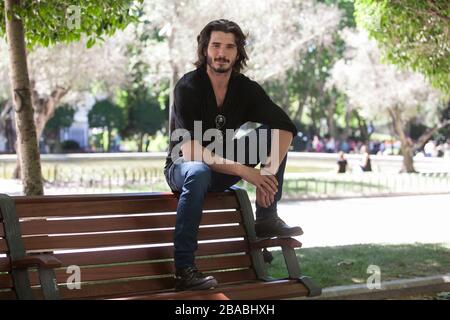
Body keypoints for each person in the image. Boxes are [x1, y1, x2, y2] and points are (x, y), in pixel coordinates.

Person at [163, 19, 302, 291]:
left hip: (221, 165)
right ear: (205, 49)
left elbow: (285, 127)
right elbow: (189, 149)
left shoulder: (246, 89)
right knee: (199, 170)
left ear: (238, 53)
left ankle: (267, 216)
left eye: (230, 46)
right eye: (215, 45)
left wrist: (266, 177)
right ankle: (184, 270)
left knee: (273, 137)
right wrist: (244, 171)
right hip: (183, 168)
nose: (221, 53)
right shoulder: (188, 87)